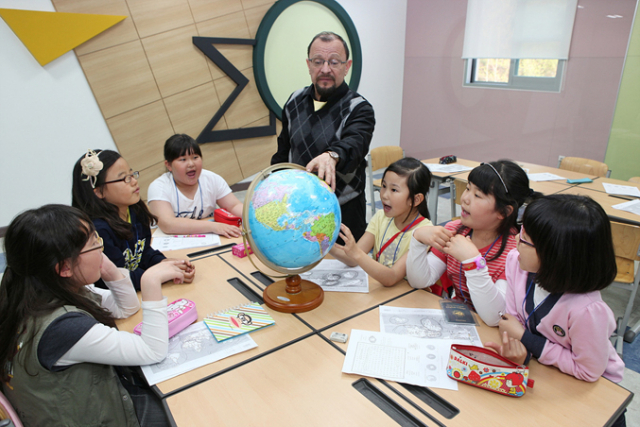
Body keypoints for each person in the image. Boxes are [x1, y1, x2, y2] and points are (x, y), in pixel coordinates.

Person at [0, 204, 186, 426]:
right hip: (95, 416)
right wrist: (150, 282)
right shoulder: (62, 327)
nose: (101, 247)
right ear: (64, 268)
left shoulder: (38, 290)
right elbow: (152, 350)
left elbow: (125, 308)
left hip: (82, 404)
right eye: (93, 243)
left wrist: (108, 268)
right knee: (186, 404)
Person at [484, 194, 625, 427]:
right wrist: (523, 352)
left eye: (525, 240)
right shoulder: (517, 263)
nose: (516, 243)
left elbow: (588, 371)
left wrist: (525, 339)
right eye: (520, 233)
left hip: (594, 393)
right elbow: (513, 320)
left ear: (556, 256)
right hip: (544, 372)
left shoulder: (587, 310)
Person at [271, 31, 376, 241]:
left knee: (343, 271)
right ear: (309, 65)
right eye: (318, 62)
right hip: (297, 210)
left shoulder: (359, 108)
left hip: (342, 212)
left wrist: (332, 155)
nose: (325, 69)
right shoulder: (294, 101)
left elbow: (354, 145)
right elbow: (284, 152)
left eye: (334, 62)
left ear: (347, 67)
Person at [406, 160, 537, 326]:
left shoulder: (514, 252)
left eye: (478, 195)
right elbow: (420, 281)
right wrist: (417, 239)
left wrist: (473, 262)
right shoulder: (456, 230)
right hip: (460, 322)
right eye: (468, 188)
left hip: (493, 334)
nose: (465, 198)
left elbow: (496, 317)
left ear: (503, 211)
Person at [72, 149, 195, 291]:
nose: (134, 181)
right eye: (124, 178)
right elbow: (117, 279)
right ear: (99, 191)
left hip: (140, 288)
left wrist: (164, 262)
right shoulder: (98, 231)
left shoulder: (135, 210)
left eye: (132, 174)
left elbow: (144, 253)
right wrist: (161, 274)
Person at [331, 158, 433, 286]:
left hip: (403, 297)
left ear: (416, 199)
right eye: (384, 186)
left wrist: (356, 253)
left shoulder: (425, 232)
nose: (384, 195)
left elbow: (392, 277)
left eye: (394, 190)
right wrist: (325, 244)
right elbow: (353, 259)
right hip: (380, 291)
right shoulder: (381, 217)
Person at [148, 134, 243, 238]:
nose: (191, 164)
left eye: (195, 157)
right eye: (183, 159)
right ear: (169, 165)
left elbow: (234, 206)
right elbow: (168, 224)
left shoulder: (211, 179)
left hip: (210, 239)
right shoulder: (159, 187)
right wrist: (214, 227)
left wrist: (256, 217)